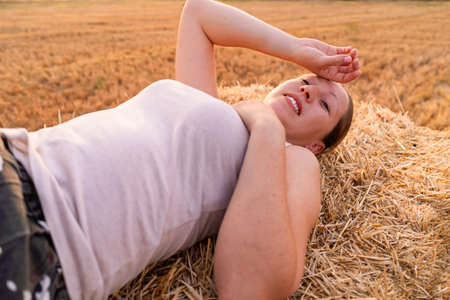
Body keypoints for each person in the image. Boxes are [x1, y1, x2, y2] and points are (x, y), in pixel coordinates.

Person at [0, 0, 361, 299]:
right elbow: (198, 12)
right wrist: (299, 49)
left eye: (325, 105)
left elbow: (252, 288)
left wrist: (266, 126)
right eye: (304, 79)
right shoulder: (212, 108)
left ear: (317, 145)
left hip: (46, 232)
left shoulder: (293, 159)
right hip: (19, 157)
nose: (308, 90)